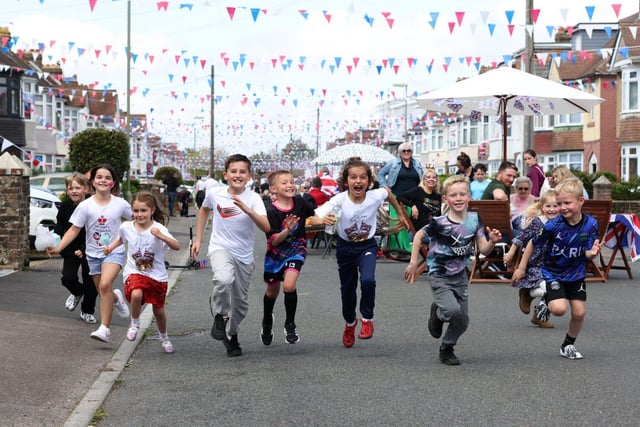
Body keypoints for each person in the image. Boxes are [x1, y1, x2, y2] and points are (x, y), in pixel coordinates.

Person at [310, 157, 411, 348]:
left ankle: (367, 319)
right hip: (345, 247)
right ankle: (350, 323)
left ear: (369, 181)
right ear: (346, 181)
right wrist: (324, 221)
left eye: (363, 177)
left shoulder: (375, 195)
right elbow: (314, 219)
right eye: (353, 177)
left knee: (367, 280)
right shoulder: (339, 200)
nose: (358, 181)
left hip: (367, 245)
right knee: (347, 290)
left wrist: (401, 214)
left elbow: (388, 193)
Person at [404, 175, 503, 365]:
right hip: (439, 273)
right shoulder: (439, 223)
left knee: (462, 320)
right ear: (446, 199)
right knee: (451, 311)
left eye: (462, 194)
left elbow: (483, 249)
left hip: (460, 275)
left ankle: (447, 348)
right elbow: (418, 236)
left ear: (469, 197)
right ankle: (439, 313)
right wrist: (413, 262)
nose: (458, 198)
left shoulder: (474, 219)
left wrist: (492, 241)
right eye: (453, 195)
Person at [191, 154, 270, 357]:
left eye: (242, 172)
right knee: (223, 278)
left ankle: (232, 333)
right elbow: (204, 210)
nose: (238, 175)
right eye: (233, 171)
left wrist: (247, 210)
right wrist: (199, 239)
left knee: (241, 305)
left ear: (249, 175)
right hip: (220, 247)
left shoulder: (253, 198)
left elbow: (266, 226)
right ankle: (220, 315)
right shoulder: (215, 193)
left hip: (244, 255)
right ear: (225, 175)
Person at [47, 164, 132, 343]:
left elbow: (137, 220)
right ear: (93, 182)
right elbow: (73, 230)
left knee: (104, 285)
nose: (103, 180)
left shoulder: (121, 204)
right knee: (104, 291)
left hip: (113, 252)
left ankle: (104, 329)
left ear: (113, 183)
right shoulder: (85, 206)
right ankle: (117, 297)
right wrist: (58, 247)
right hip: (92, 254)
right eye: (99, 177)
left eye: (107, 177)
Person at [525, 178, 601, 359]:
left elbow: (589, 251)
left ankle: (567, 345)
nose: (562, 207)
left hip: (576, 273)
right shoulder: (553, 225)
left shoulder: (591, 224)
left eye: (567, 203)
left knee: (579, 313)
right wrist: (521, 268)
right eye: (559, 204)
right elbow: (532, 243)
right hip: (553, 273)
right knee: (559, 310)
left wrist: (592, 253)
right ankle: (545, 298)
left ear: (581, 201)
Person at [104, 191, 180, 353]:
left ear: (152, 210)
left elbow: (176, 246)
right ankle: (135, 323)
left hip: (157, 275)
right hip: (134, 272)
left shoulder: (158, 228)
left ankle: (164, 337)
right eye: (136, 211)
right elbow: (120, 240)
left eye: (143, 210)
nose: (139, 214)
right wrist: (110, 248)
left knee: (159, 312)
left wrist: (161, 236)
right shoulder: (126, 227)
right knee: (136, 294)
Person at [260, 170, 316, 346]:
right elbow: (274, 241)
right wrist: (288, 230)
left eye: (292, 181)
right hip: (275, 252)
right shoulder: (269, 209)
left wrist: (323, 219)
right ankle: (267, 320)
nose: (290, 185)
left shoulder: (300, 202)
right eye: (284, 182)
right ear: (274, 189)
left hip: (296, 248)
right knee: (271, 292)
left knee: (289, 284)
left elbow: (313, 216)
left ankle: (290, 324)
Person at [506, 190, 559, 328]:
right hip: (536, 264)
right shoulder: (538, 222)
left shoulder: (563, 223)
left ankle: (536, 311)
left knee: (557, 290)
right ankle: (531, 299)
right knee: (551, 289)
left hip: (554, 265)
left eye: (556, 206)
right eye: (548, 206)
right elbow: (521, 237)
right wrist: (511, 253)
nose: (552, 209)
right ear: (542, 207)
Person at [53, 172, 98, 324]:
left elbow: (97, 230)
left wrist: (84, 249)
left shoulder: (93, 206)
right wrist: (53, 237)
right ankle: (77, 292)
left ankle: (87, 311)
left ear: (86, 189)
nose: (73, 191)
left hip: (90, 249)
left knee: (90, 282)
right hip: (70, 248)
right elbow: (60, 223)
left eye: (77, 188)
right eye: (70, 188)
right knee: (68, 278)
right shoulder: (65, 205)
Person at [376, 142, 424, 254]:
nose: (406, 153)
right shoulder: (393, 163)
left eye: (409, 151)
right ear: (399, 152)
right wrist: (384, 186)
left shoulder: (417, 164)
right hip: (396, 197)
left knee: (408, 222)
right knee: (397, 221)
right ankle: (405, 248)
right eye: (404, 151)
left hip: (411, 198)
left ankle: (394, 248)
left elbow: (421, 179)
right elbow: (381, 174)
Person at [396, 168, 442, 234]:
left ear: (437, 180)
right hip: (419, 231)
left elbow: (439, 215)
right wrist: (412, 205)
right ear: (424, 180)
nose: (431, 179)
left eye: (434, 177)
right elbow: (399, 197)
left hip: (433, 230)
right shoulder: (418, 191)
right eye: (428, 177)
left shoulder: (437, 195)